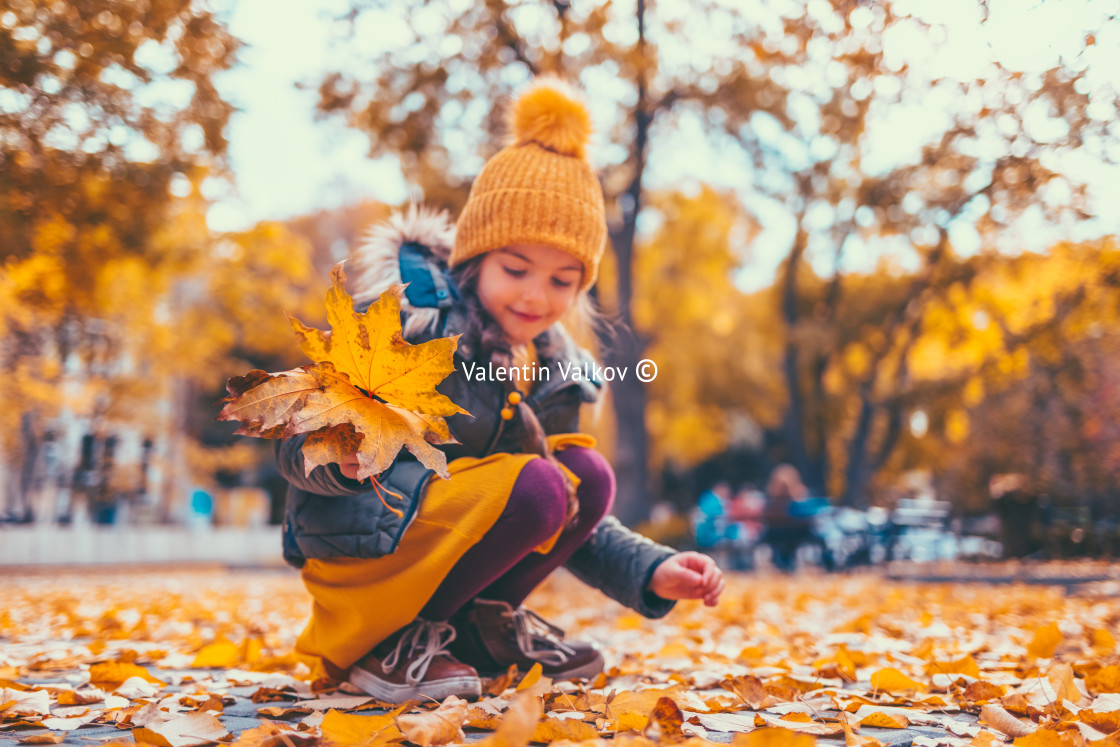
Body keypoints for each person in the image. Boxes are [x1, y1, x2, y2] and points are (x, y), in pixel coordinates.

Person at [275, 78, 724, 704]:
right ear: (475, 258)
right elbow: (296, 444)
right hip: (366, 560)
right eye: (515, 270)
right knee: (539, 482)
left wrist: (649, 569)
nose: (536, 297)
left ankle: (474, 634)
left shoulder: (552, 365)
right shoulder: (410, 326)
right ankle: (387, 646)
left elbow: (566, 513)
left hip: (439, 547)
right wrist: (337, 452)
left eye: (563, 280)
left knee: (581, 475)